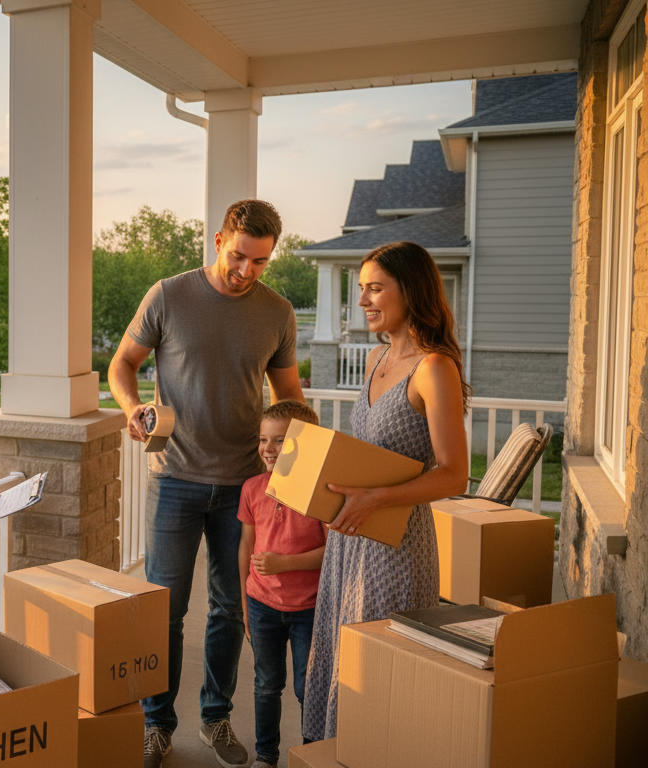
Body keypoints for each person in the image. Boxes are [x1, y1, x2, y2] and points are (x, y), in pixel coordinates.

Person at [108, 199, 305, 768]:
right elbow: (122, 364)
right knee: (164, 610)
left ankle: (215, 718)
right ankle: (156, 723)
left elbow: (290, 404)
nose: (247, 271)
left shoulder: (278, 312)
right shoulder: (169, 295)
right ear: (219, 239)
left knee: (229, 606)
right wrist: (130, 406)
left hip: (245, 488)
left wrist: (294, 469)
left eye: (261, 262)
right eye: (240, 256)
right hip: (173, 479)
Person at [302, 241, 471, 741]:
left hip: (396, 547)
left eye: (375, 288)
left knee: (378, 672)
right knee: (341, 655)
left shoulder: (434, 368)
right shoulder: (376, 358)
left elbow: (453, 474)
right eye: (361, 289)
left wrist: (374, 499)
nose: (363, 301)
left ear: (411, 290)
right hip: (349, 542)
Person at [237, 400, 326, 768]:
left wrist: (284, 564)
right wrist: (245, 607)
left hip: (308, 609)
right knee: (266, 684)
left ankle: (310, 753)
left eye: (279, 441)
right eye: (263, 439)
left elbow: (331, 553)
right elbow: (246, 547)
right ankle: (266, 756)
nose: (268, 449)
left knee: (309, 688)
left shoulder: (321, 492)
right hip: (261, 606)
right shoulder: (253, 488)